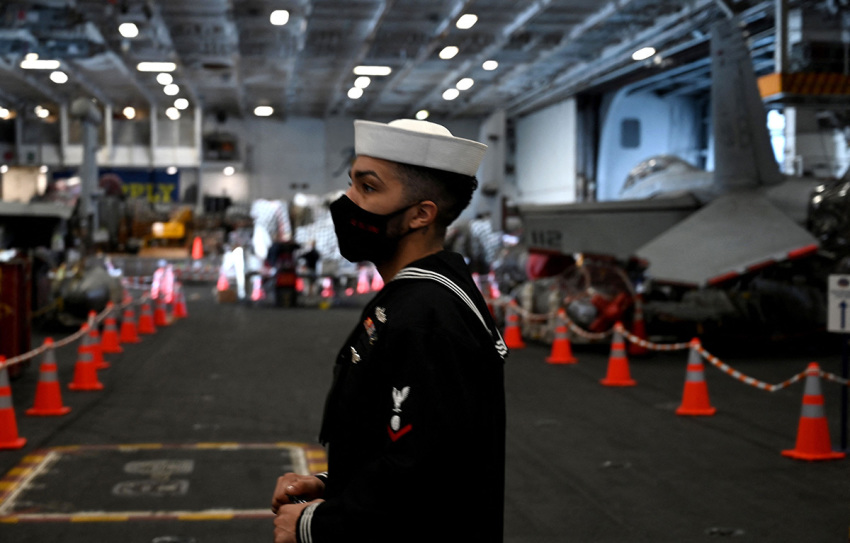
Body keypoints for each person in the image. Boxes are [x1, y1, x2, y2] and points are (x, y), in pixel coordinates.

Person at [272, 119, 508, 543]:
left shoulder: (426, 316)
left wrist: (314, 525)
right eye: (352, 184)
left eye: (368, 188)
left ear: (421, 214)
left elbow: (422, 477)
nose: (348, 202)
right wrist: (332, 483)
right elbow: (415, 444)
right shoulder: (415, 296)